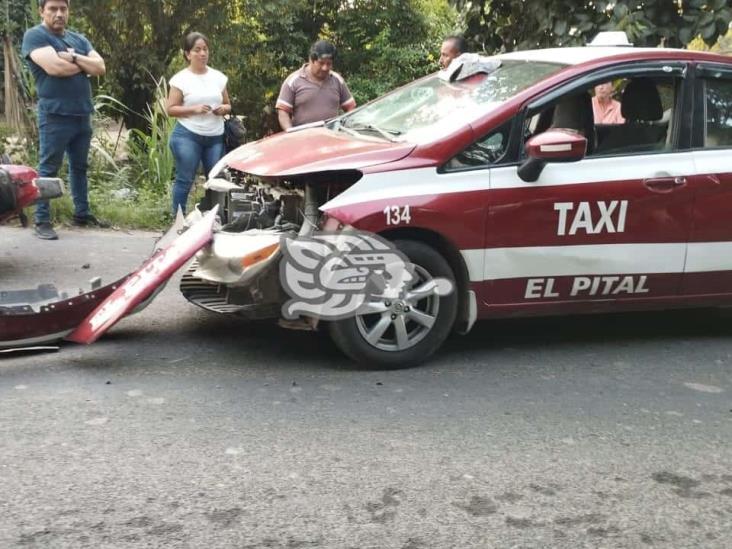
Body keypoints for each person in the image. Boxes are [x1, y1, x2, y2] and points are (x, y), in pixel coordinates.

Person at [21, 0, 107, 240]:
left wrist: (72, 57)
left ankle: (82, 213)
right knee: (49, 168)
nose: (59, 14)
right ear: (42, 11)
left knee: (79, 168)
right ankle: (42, 220)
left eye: (63, 9)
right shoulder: (35, 36)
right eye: (53, 9)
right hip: (55, 115)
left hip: (82, 113)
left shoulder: (78, 39)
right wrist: (83, 64)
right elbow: (56, 68)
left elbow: (100, 67)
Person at [166, 32, 230, 216]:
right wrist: (194, 109)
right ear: (188, 54)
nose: (202, 54)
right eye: (197, 50)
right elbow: (171, 109)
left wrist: (222, 109)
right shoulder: (180, 79)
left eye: (205, 49)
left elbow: (228, 104)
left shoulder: (218, 77)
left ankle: (214, 218)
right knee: (185, 178)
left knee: (215, 180)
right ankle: (177, 218)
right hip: (188, 134)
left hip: (215, 136)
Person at [276, 40, 356, 131]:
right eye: (321, 63)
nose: (325, 68)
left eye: (328, 64)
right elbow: (283, 112)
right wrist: (291, 133)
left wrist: (346, 129)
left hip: (332, 138)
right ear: (311, 60)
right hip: (303, 139)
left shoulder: (337, 80)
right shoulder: (293, 81)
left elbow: (351, 107)